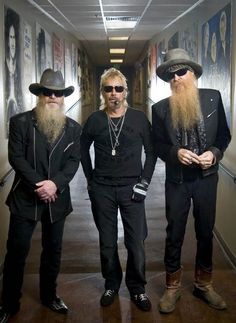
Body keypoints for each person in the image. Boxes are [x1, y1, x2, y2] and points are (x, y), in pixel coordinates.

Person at [152, 48, 231, 314]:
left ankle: (203, 284)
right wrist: (175, 153)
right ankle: (172, 286)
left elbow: (224, 136)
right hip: (177, 181)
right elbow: (159, 146)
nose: (176, 78)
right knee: (174, 233)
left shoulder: (212, 99)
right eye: (171, 75)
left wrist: (215, 154)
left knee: (205, 232)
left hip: (206, 179)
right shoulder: (160, 109)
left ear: (194, 74)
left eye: (181, 72)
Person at [0, 69, 81, 323]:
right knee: (16, 251)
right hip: (25, 198)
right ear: (40, 95)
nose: (53, 97)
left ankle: (49, 296)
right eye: (48, 92)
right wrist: (40, 184)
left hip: (57, 199)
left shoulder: (73, 129)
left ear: (63, 97)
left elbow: (73, 162)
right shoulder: (21, 122)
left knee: (52, 251)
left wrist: (54, 184)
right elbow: (17, 157)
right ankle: (9, 303)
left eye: (57, 93)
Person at [80, 67, 156, 311]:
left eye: (118, 88)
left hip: (132, 188)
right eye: (108, 89)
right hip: (102, 189)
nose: (113, 93)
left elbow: (152, 152)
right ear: (103, 92)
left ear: (125, 92)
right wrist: (91, 180)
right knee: (107, 242)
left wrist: (144, 182)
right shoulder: (94, 120)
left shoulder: (138, 118)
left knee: (135, 242)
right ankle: (111, 283)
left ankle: (137, 288)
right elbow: (82, 150)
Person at [5, 7, 24, 136]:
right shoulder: (5, 63)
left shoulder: (17, 66)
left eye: (14, 37)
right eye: (10, 37)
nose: (12, 41)